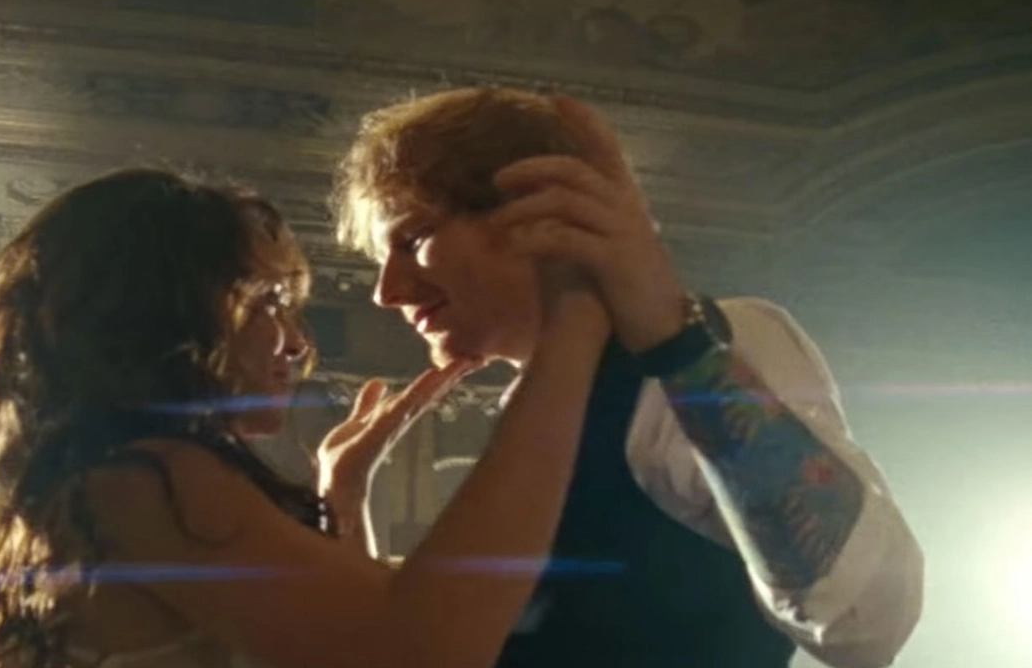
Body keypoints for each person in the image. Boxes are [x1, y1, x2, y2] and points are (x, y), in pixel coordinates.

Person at [0, 168, 615, 668]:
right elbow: (418, 654)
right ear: (171, 310)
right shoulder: (149, 480)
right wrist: (571, 336)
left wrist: (343, 492)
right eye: (270, 301)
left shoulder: (101, 480)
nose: (298, 343)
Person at [330, 87, 924, 668]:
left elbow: (863, 623)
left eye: (411, 239)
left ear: (537, 207)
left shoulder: (706, 347)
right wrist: (345, 502)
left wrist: (677, 344)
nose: (386, 292)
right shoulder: (535, 407)